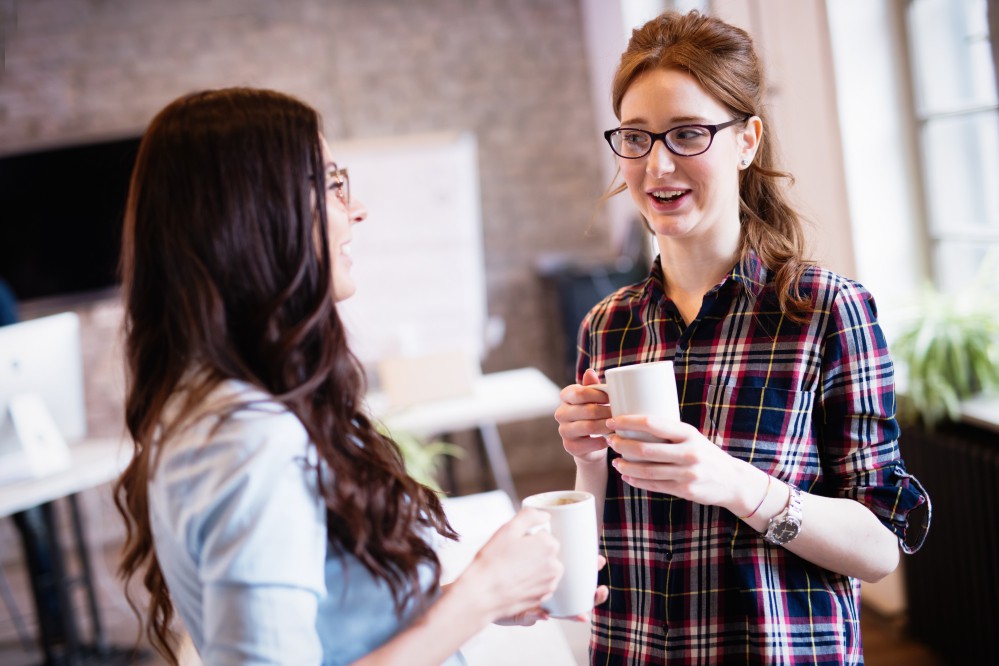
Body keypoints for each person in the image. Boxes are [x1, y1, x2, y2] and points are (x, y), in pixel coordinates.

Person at [114, 87, 605, 666]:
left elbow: (338, 631)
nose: (358, 209)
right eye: (331, 183)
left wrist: (471, 603)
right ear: (260, 215)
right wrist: (478, 597)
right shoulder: (247, 440)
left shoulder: (234, 408)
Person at [554, 11, 929, 665]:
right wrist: (587, 459)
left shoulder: (825, 312)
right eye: (636, 138)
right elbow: (601, 543)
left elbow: (877, 550)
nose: (657, 165)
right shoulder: (606, 326)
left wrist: (734, 484)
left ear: (746, 141)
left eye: (687, 134)